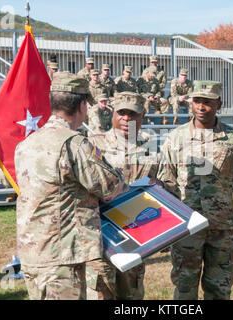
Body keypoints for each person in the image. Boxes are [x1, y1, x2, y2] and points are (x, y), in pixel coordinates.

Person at [14, 72, 127, 300]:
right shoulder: (73, 144)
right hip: (61, 256)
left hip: (33, 251)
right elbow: (112, 187)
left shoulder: (27, 143)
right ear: (82, 105)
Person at [157, 80, 233, 300]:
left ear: (219, 104)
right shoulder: (176, 138)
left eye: (208, 102)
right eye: (198, 101)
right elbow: (166, 182)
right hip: (186, 227)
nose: (202, 107)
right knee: (185, 288)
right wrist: (166, 229)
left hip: (221, 228)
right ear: (191, 103)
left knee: (220, 289)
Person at [88, 91, 159, 300]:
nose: (127, 118)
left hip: (135, 237)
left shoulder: (150, 148)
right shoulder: (92, 144)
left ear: (142, 116)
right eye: (122, 113)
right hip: (99, 240)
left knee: (132, 296)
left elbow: (165, 186)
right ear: (113, 114)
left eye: (133, 114)